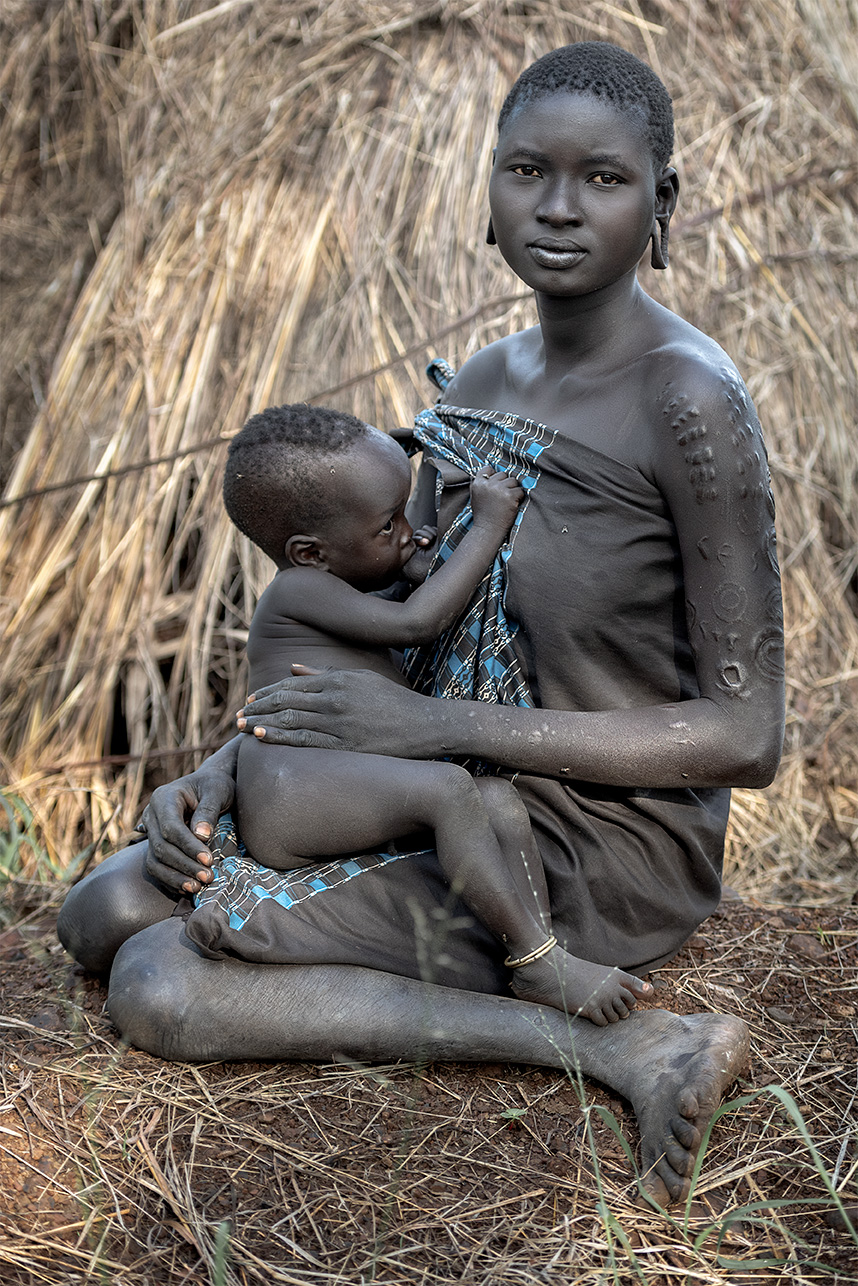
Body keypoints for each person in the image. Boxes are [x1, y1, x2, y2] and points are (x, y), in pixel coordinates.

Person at [58, 41, 785, 1207]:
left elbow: (747, 735)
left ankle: (627, 1046)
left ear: (663, 202)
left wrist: (433, 726)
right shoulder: (473, 390)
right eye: (525, 171)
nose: (557, 207)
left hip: (590, 844)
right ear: (488, 191)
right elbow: (398, 629)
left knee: (157, 978)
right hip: (435, 785)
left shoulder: (688, 402)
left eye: (602, 179)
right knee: (104, 904)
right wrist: (220, 773)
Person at [217, 402, 650, 1021]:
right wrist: (487, 526)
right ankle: (537, 961)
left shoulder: (333, 581)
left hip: (324, 783)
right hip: (290, 795)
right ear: (310, 552)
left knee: (495, 799)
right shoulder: (297, 590)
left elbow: (398, 575)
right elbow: (418, 620)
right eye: (387, 526)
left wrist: (409, 481)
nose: (411, 533)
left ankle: (538, 947)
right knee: (448, 789)